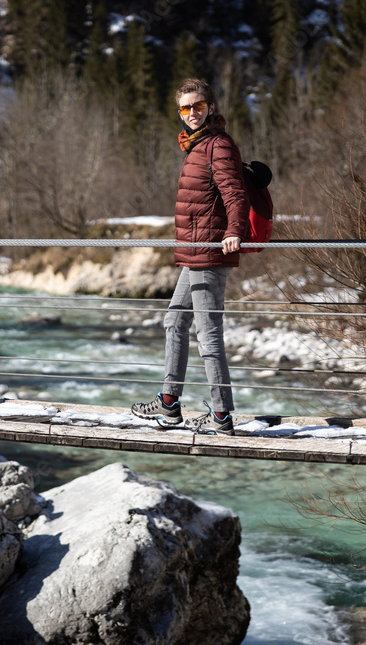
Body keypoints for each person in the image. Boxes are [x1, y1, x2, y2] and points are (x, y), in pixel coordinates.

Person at [131, 77, 248, 436]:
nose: (192, 112)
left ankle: (221, 415)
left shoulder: (218, 144)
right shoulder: (196, 145)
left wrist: (234, 231)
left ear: (210, 107)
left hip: (209, 251)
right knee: (174, 322)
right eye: (185, 107)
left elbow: (235, 194)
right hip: (194, 252)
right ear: (179, 112)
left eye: (198, 105)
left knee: (208, 335)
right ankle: (169, 403)